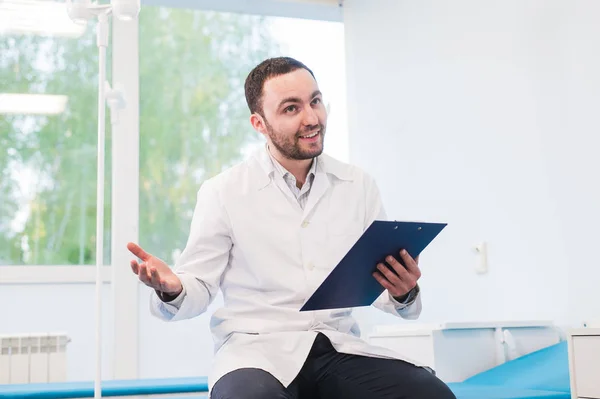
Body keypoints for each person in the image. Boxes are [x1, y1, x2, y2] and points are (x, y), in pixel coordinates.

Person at [127, 57, 456, 399]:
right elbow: (197, 288)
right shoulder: (223, 192)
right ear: (259, 123)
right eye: (291, 108)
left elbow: (380, 289)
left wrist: (403, 290)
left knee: (431, 394)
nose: (312, 118)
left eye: (315, 101)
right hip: (256, 351)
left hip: (336, 344)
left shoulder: (358, 185)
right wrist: (172, 287)